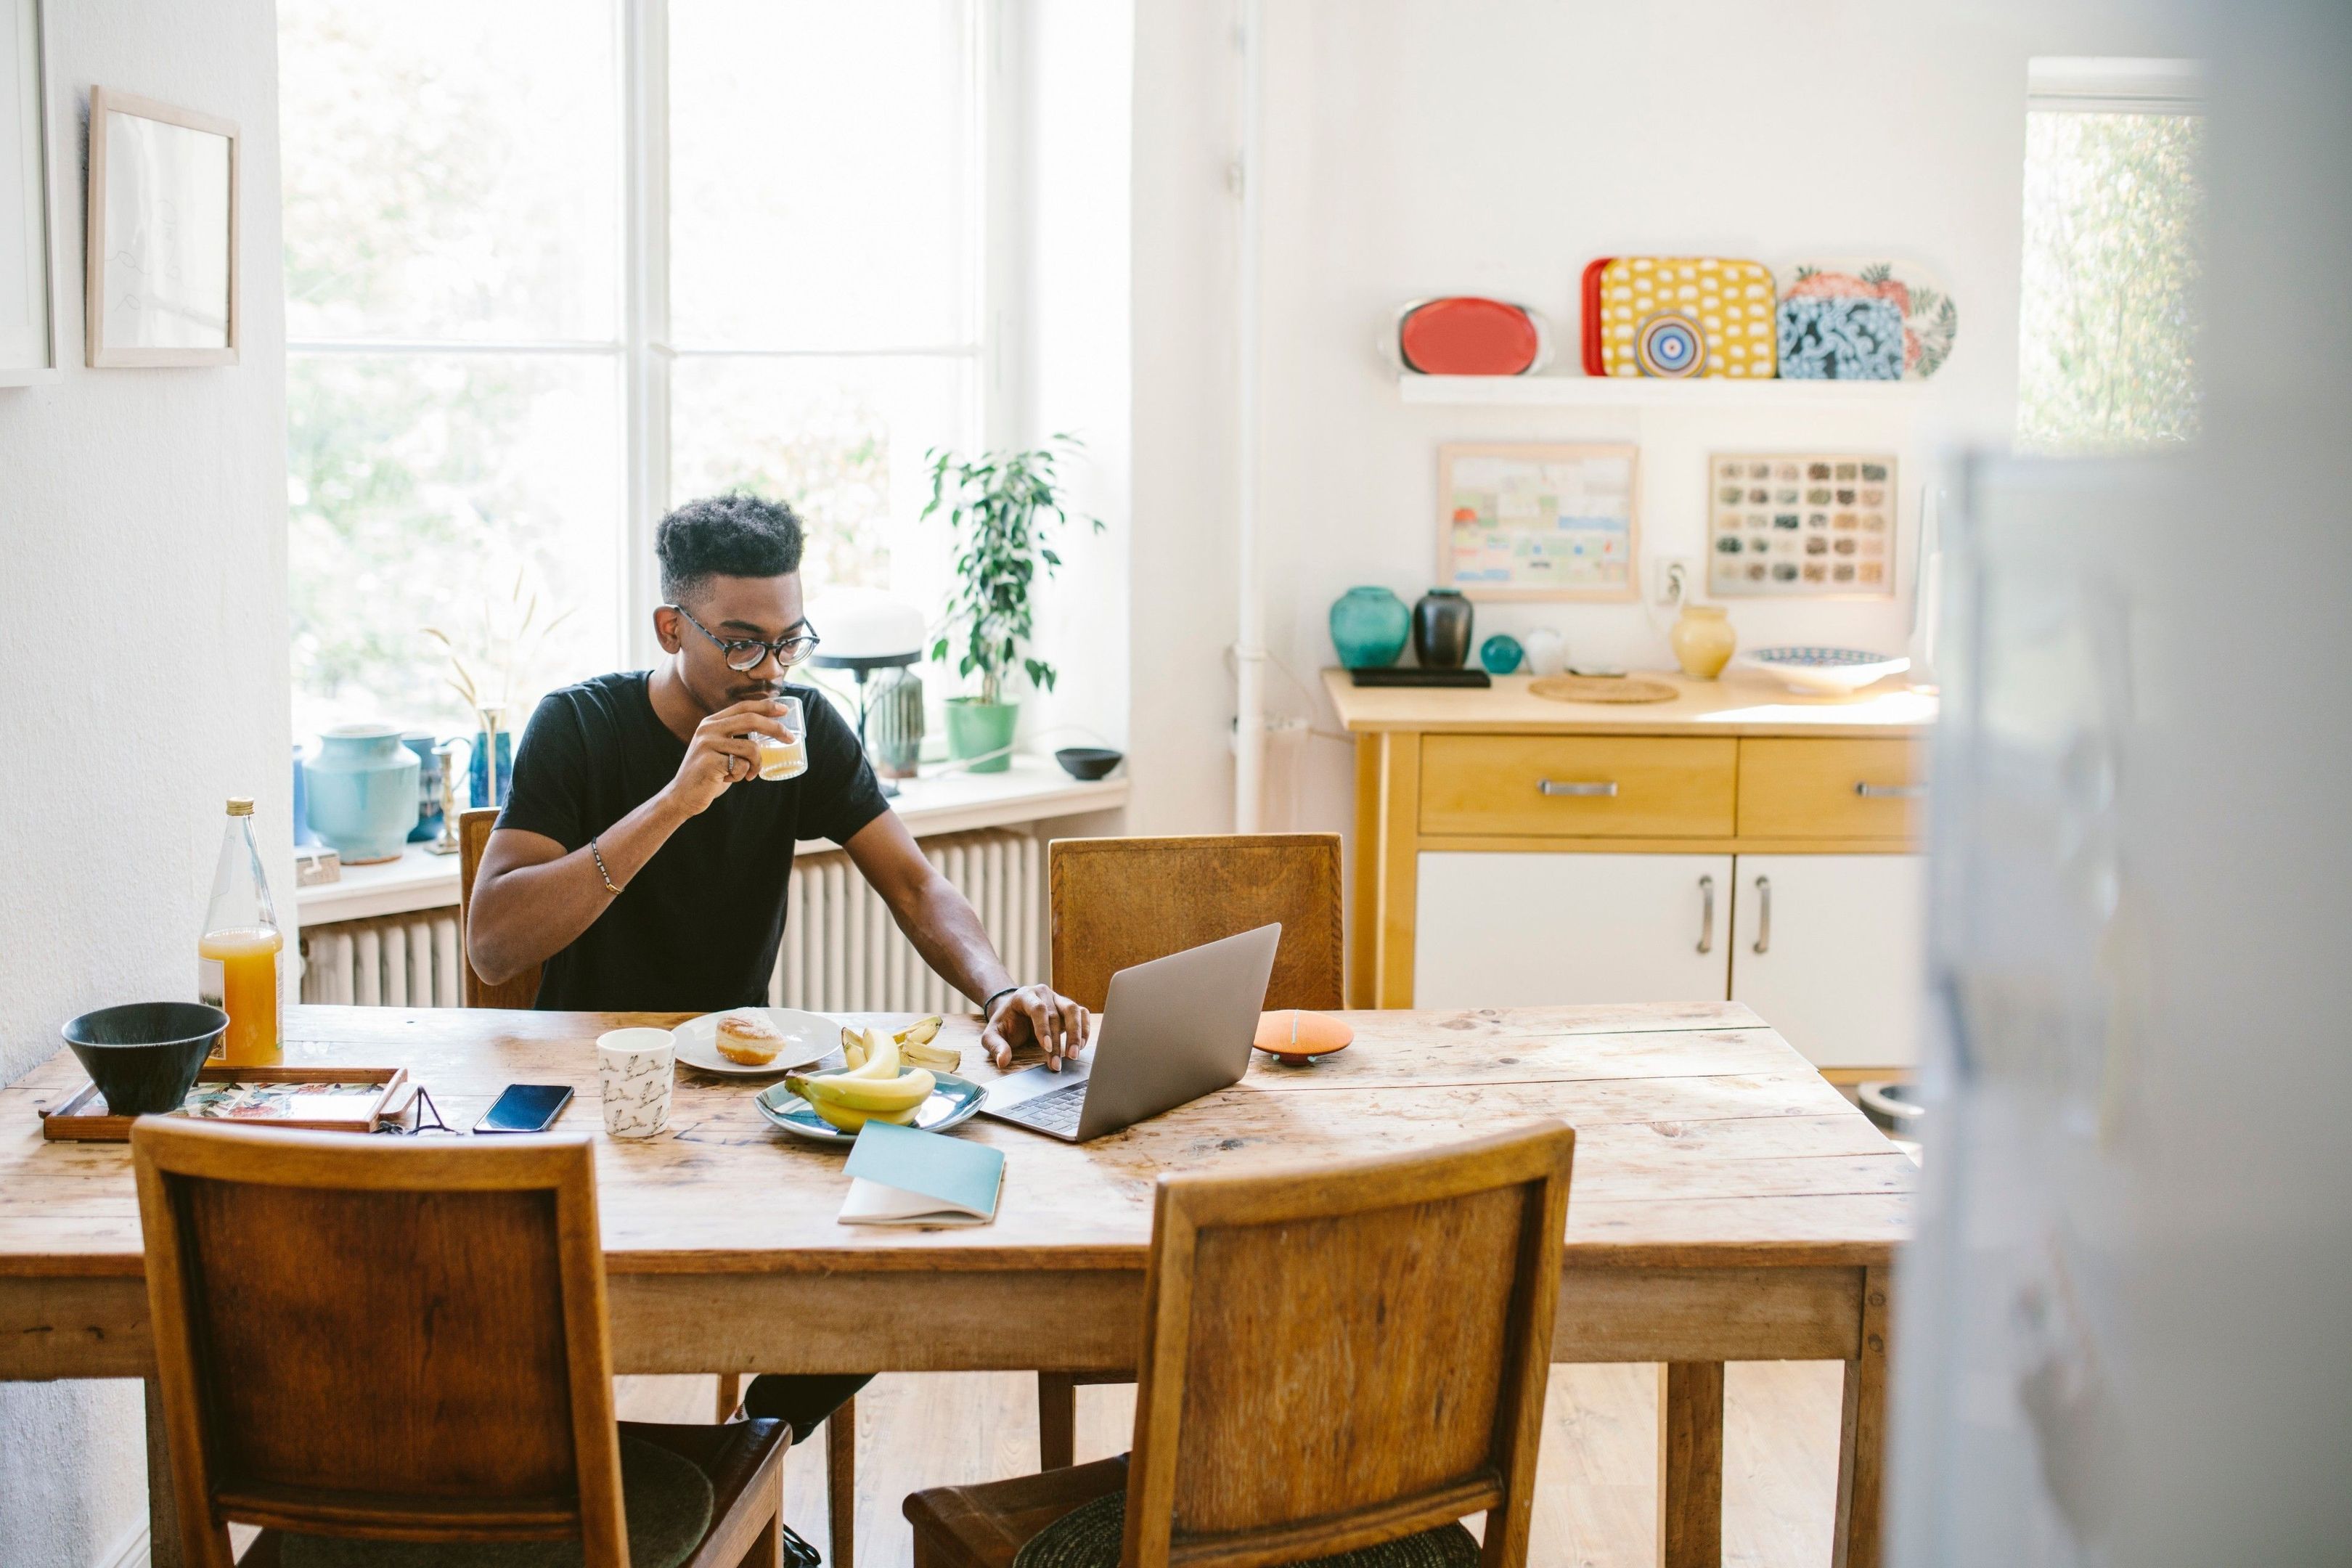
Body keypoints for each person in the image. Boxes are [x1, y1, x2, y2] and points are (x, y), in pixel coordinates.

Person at [467, 492, 1091, 1564]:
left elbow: (915, 884)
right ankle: (667, 1499)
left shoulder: (808, 726)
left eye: (788, 639)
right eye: (742, 642)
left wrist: (998, 991)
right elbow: (493, 942)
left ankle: (753, 1438)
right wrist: (676, 801)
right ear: (674, 628)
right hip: (602, 1102)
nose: (769, 670)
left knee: (946, 1195)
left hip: (752, 1099)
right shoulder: (578, 725)